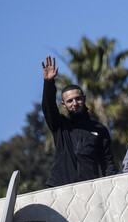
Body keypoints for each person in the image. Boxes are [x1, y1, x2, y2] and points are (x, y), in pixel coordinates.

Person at [41, 56, 116, 187]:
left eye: (78, 99)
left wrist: (111, 186)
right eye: (69, 101)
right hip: (58, 187)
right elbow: (48, 107)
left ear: (84, 98)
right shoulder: (60, 125)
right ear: (63, 104)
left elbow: (107, 162)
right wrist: (49, 83)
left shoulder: (99, 129)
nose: (74, 103)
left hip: (88, 188)